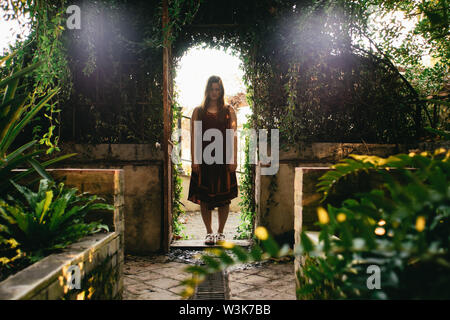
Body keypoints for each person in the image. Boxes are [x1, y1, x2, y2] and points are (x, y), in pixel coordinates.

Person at [187, 75, 239, 245]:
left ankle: (221, 233)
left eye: (218, 89)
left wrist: (233, 160)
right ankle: (209, 233)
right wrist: (194, 160)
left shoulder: (228, 110)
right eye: (212, 89)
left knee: (224, 199)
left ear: (221, 91)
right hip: (204, 160)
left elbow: (233, 137)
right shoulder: (198, 111)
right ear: (207, 90)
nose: (215, 92)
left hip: (223, 160)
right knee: (204, 198)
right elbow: (194, 137)